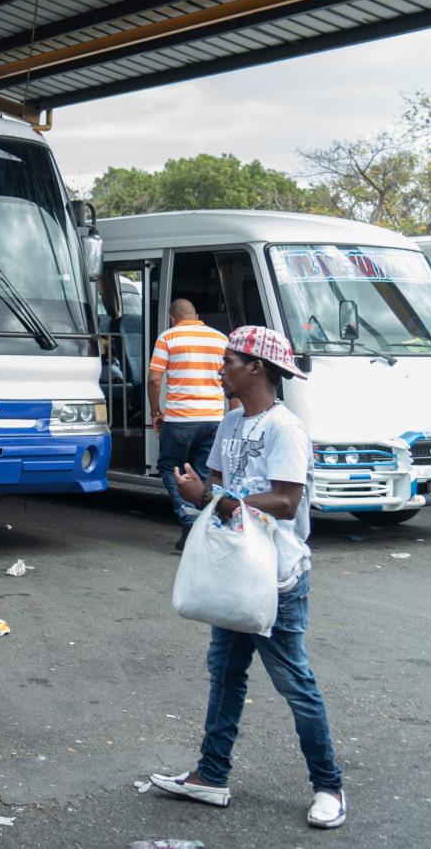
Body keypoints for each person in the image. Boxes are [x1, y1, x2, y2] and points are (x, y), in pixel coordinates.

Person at [151, 325, 345, 831]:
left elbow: (286, 500)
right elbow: (218, 487)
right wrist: (198, 492)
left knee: (294, 683)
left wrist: (223, 499)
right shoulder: (232, 422)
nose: (221, 370)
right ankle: (211, 775)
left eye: (229, 361)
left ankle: (329, 786)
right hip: (237, 574)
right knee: (225, 674)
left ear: (256, 367)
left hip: (277, 577)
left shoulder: (285, 429)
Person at [149, 298, 230, 551]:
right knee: (203, 472)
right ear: (196, 316)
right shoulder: (220, 338)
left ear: (173, 318)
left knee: (169, 466)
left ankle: (189, 518)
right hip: (214, 417)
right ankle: (202, 527)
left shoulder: (168, 337)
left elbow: (154, 380)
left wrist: (155, 412)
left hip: (181, 418)